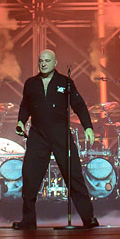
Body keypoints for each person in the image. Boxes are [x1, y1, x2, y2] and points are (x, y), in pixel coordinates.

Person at [11, 49, 99, 229]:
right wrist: (20, 122)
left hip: (60, 134)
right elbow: (25, 105)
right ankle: (28, 220)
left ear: (55, 63)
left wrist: (88, 127)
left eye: (47, 61)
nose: (43, 64)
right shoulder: (31, 83)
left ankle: (88, 218)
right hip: (38, 135)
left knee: (74, 175)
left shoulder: (65, 82)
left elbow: (79, 105)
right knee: (29, 176)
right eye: (41, 61)